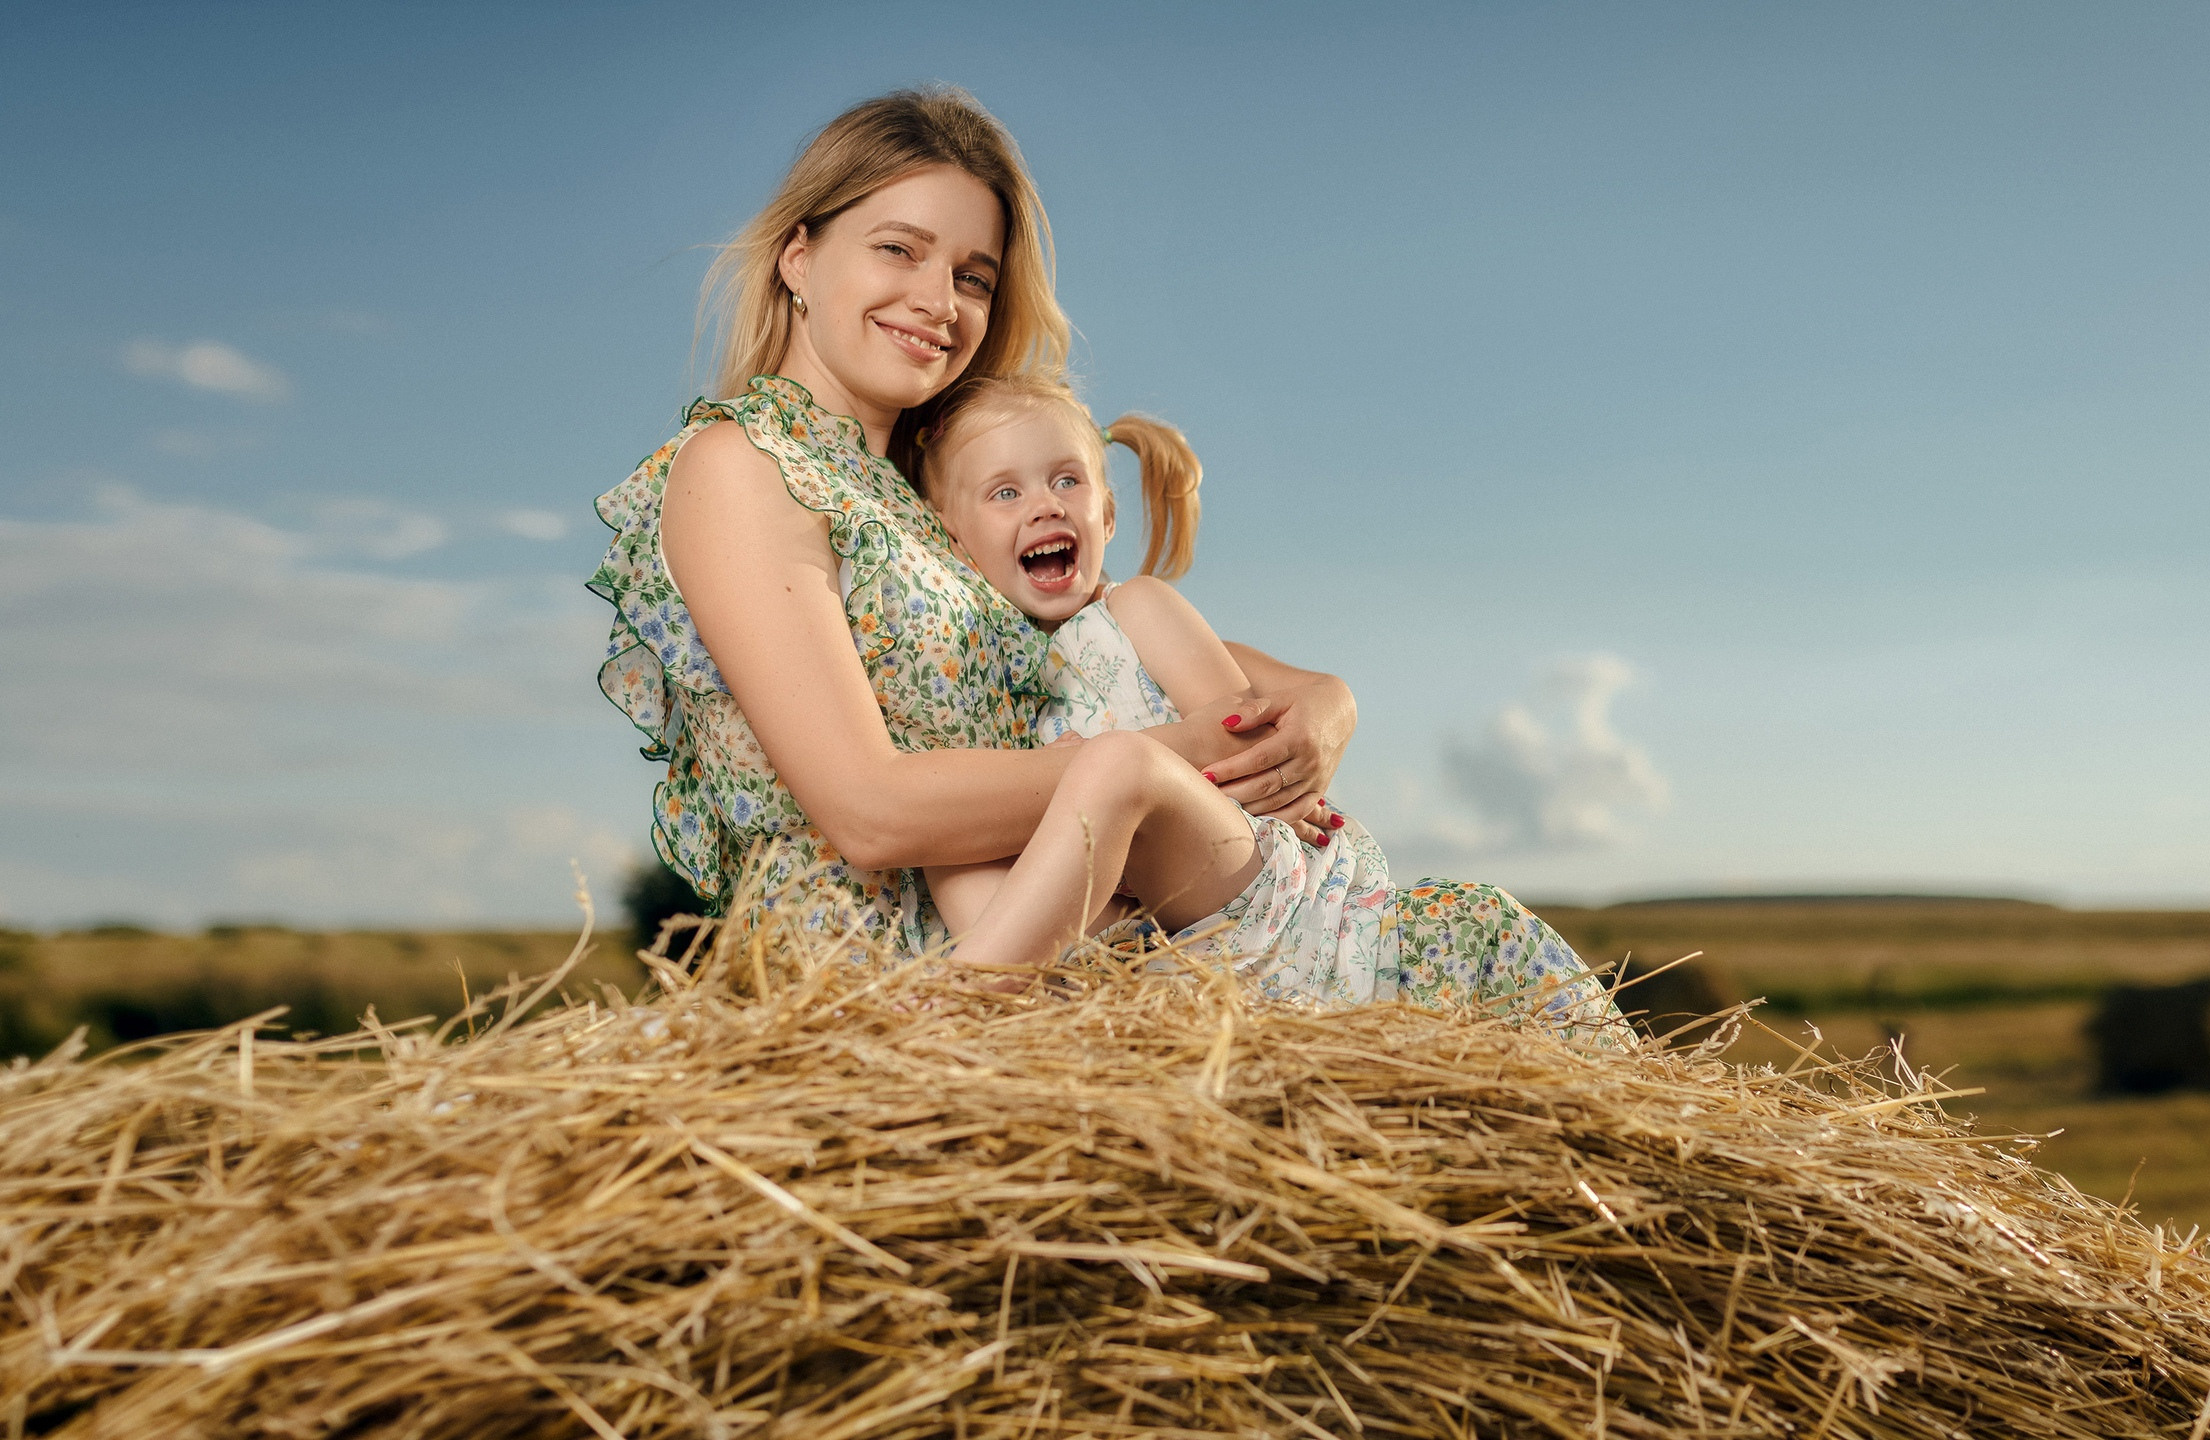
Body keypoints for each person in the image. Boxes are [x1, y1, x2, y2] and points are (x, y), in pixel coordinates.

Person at [588, 87, 1624, 1042]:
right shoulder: (743, 464)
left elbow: (1144, 649)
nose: (937, 299)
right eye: (897, 249)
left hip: (1064, 932)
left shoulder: (922, 495)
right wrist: (1193, 761)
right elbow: (869, 810)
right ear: (800, 256)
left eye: (972, 277)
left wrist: (1321, 707)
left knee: (1478, 945)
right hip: (906, 990)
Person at [908, 374, 1626, 1042]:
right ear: (952, 537)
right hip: (1168, 945)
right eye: (1005, 493)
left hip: (1258, 885)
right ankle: (1028, 1021)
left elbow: (1240, 748)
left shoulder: (1136, 610)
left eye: (1067, 480)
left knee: (1115, 766)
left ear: (1108, 512)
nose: (1045, 503)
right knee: (954, 845)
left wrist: (1078, 780)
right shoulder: (998, 681)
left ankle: (943, 1016)